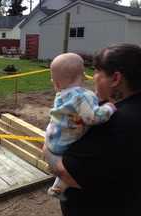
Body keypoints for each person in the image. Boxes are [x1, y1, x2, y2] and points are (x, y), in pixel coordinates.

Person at [43, 43, 141, 216]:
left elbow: (68, 175)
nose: (93, 77)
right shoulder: (123, 107)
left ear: (115, 79)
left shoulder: (120, 124)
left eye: (97, 72)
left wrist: (48, 148)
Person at [44, 53, 116, 201]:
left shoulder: (61, 94)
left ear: (55, 83)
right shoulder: (84, 95)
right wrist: (109, 108)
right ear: (83, 76)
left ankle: (56, 189)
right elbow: (92, 117)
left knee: (59, 167)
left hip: (52, 139)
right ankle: (58, 184)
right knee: (69, 170)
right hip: (66, 143)